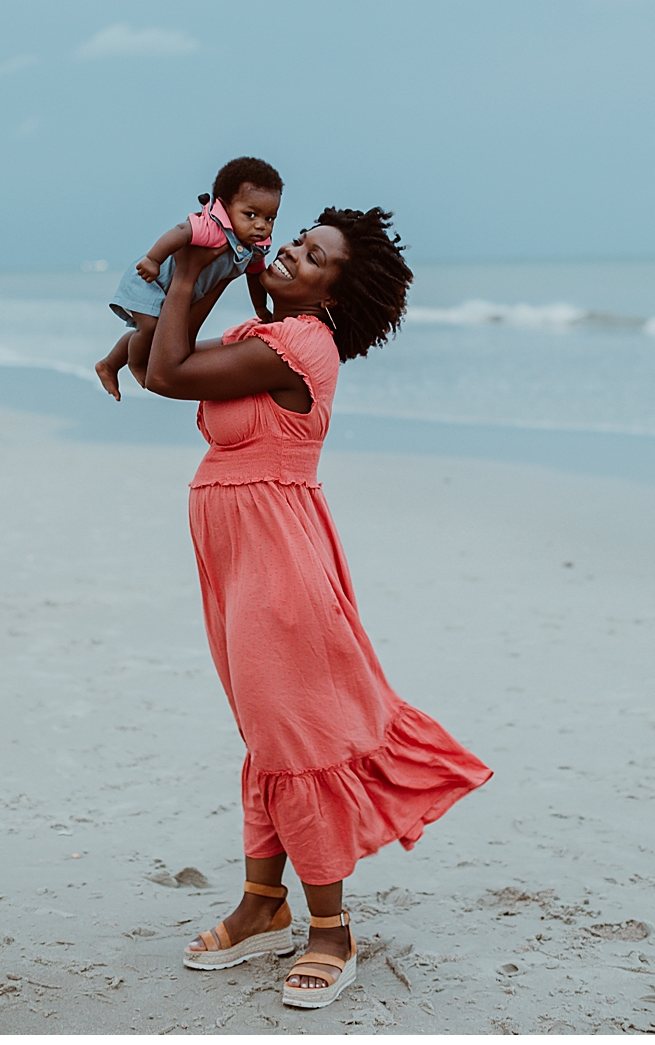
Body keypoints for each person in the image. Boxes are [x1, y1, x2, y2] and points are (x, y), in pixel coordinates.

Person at [139, 206, 492, 1010]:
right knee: (267, 729)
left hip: (277, 559)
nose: (293, 251)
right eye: (297, 241)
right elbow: (159, 348)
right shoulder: (262, 337)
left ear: (334, 294)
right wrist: (211, 268)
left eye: (314, 255)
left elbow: (166, 376)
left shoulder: (300, 345)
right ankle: (264, 903)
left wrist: (194, 269)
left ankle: (330, 929)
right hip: (236, 549)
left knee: (294, 732)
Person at [94, 157, 281, 401]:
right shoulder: (212, 228)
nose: (261, 226)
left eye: (269, 218)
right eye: (251, 214)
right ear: (224, 208)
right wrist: (153, 259)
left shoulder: (255, 247)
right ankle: (137, 364)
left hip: (178, 292)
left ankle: (109, 364)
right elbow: (181, 232)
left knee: (156, 333)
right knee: (150, 328)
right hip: (151, 281)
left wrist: (260, 306)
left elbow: (255, 275)